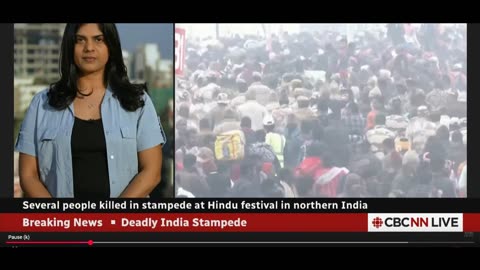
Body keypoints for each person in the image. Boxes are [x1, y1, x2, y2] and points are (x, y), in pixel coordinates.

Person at [15, 23, 165, 198]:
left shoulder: (138, 102)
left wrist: (111, 221)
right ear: (70, 46)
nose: (89, 48)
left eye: (98, 40)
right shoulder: (41, 104)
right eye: (80, 40)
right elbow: (28, 176)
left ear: (111, 46)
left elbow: (151, 173)